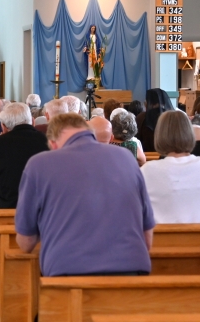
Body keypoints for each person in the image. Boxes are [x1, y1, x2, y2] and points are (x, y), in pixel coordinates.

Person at [15, 113, 154, 276]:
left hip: (67, 272)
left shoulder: (39, 164)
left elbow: (25, 243)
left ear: (53, 144)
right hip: (131, 269)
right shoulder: (127, 158)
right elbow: (147, 238)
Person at [140, 111, 200, 224]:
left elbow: (135, 209)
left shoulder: (147, 170)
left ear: (159, 135)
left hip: (160, 240)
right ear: (189, 133)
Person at [0, 102, 48, 209]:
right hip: (44, 213)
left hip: (9, 212)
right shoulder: (50, 142)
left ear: (3, 126)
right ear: (33, 121)